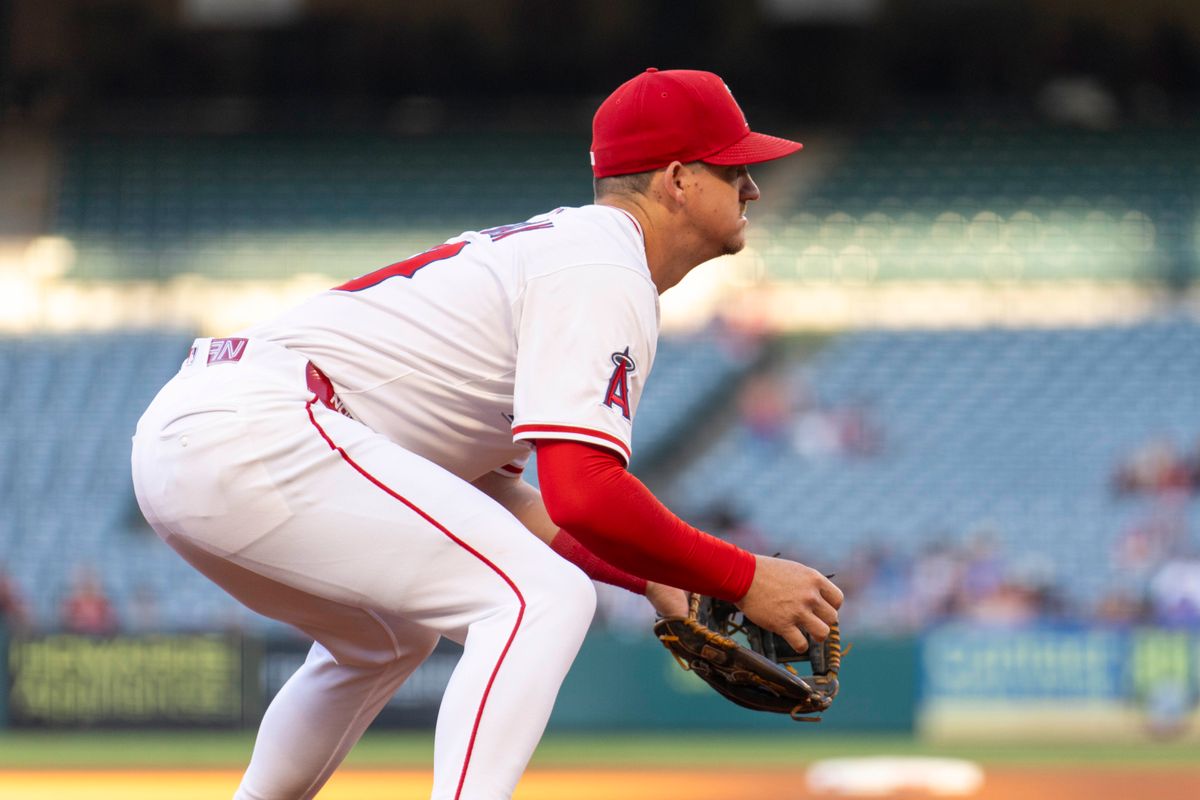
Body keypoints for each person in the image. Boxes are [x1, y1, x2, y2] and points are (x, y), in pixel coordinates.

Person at [130, 67, 843, 800]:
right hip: (263, 427)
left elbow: (509, 504)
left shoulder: (567, 258)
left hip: (210, 435)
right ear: (676, 180)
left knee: (386, 641)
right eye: (734, 169)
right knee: (544, 600)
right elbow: (584, 498)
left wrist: (658, 578)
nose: (752, 187)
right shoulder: (604, 268)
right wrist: (741, 576)